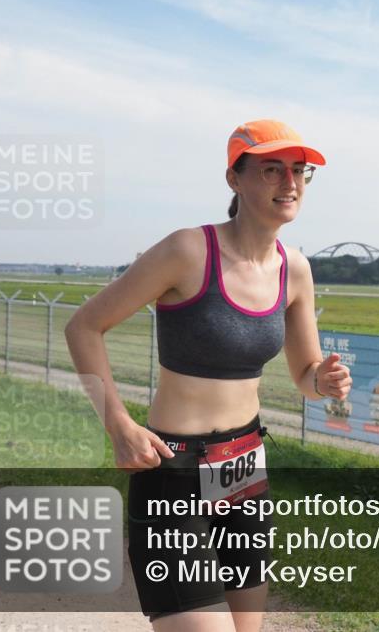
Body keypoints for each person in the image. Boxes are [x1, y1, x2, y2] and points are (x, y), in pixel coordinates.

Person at [65, 119, 352, 631]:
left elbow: (305, 373)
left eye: (299, 171)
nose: (289, 183)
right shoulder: (187, 251)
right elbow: (84, 326)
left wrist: (322, 382)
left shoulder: (297, 270)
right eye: (270, 170)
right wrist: (118, 424)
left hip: (244, 471)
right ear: (234, 179)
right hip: (172, 471)